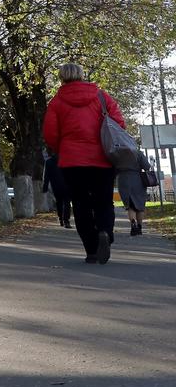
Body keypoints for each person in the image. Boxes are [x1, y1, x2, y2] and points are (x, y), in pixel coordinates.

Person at [42, 63, 126, 264]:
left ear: (61, 77)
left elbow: (50, 135)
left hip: (72, 162)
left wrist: (62, 150)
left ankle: (91, 251)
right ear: (81, 75)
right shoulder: (101, 96)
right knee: (104, 201)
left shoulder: (56, 102)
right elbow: (119, 124)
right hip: (102, 160)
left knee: (80, 204)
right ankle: (105, 232)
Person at [118, 150, 148, 236]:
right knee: (140, 205)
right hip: (137, 180)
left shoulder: (118, 154)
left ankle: (133, 222)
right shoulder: (138, 153)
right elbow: (146, 166)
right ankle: (139, 227)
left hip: (123, 180)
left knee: (130, 206)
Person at [41, 149, 72, 228]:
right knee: (67, 203)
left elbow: (46, 176)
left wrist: (45, 187)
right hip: (67, 185)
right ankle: (66, 221)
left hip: (56, 186)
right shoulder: (67, 160)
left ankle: (61, 219)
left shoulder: (49, 162)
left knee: (59, 202)